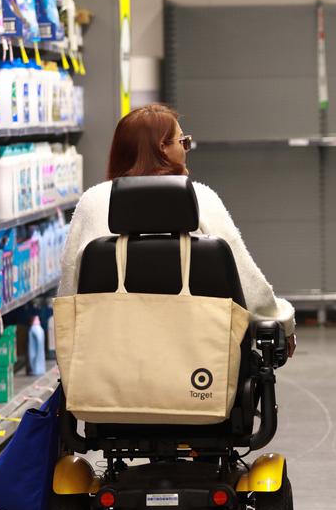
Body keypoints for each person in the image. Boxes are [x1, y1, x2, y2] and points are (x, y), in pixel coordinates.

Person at [58, 103, 297, 353]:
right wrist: (282, 322)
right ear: (163, 148)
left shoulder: (92, 203)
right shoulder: (201, 199)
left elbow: (69, 291)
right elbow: (247, 284)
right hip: (198, 357)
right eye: (182, 142)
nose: (186, 150)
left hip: (110, 357)